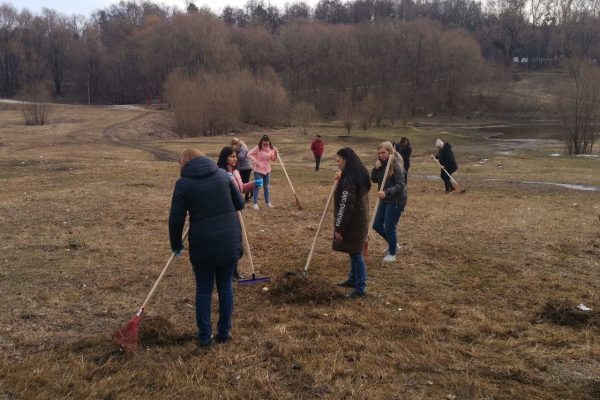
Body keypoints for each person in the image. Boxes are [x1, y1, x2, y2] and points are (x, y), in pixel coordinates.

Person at [169, 148, 245, 347]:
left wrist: (176, 244)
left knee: (204, 290)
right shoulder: (222, 175)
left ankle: (204, 337)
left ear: (184, 164)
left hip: (204, 244)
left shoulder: (183, 184)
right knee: (226, 286)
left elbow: (176, 218)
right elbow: (239, 203)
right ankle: (224, 332)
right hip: (230, 240)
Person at [216, 146, 263, 280]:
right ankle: (227, 270)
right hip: (226, 212)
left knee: (237, 240)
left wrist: (254, 184)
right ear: (224, 158)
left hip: (237, 210)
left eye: (236, 156)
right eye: (232, 156)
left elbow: (240, 189)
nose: (235, 159)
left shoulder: (236, 172)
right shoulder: (220, 173)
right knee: (228, 241)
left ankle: (234, 270)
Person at [333, 147, 371, 299]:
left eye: (339, 161)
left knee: (356, 254)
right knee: (353, 251)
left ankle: (360, 287)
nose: (338, 164)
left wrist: (338, 229)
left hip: (353, 223)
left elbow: (345, 206)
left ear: (346, 160)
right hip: (359, 220)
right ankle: (352, 279)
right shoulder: (359, 173)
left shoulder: (349, 180)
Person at [371, 141, 407, 263]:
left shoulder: (395, 165)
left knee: (390, 227)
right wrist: (376, 169)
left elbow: (401, 184)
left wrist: (387, 192)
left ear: (390, 152)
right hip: (384, 198)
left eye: (383, 152)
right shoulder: (381, 164)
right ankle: (393, 243)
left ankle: (392, 253)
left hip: (396, 199)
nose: (381, 155)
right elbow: (374, 179)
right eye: (379, 153)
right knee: (376, 224)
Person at [247, 135, 278, 210]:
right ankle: (255, 203)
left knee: (266, 187)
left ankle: (268, 203)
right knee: (258, 186)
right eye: (264, 144)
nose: (266, 145)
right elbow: (248, 154)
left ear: (269, 143)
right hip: (258, 170)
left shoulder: (271, 148)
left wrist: (276, 153)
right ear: (261, 143)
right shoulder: (258, 148)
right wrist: (256, 161)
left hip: (267, 170)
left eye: (267, 144)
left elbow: (273, 159)